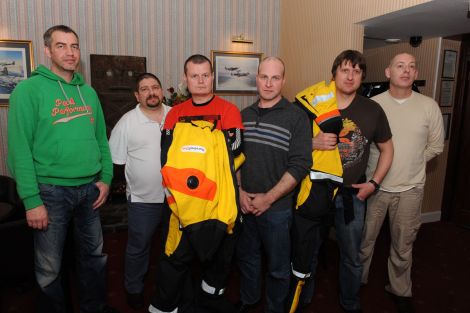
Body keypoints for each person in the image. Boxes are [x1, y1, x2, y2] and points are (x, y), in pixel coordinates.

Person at [7, 25, 118, 313]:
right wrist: (32, 201)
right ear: (47, 50)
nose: (70, 52)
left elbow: (101, 142)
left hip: (90, 190)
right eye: (61, 46)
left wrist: (106, 178)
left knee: (95, 257)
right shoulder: (28, 90)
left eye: (74, 46)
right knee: (49, 267)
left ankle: (95, 307)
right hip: (50, 192)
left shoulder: (89, 93)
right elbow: (20, 149)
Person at [298, 50, 394, 313]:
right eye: (344, 69)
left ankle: (350, 302)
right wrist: (312, 142)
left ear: (362, 76)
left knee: (352, 255)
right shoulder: (314, 103)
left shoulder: (373, 109)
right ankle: (303, 297)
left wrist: (373, 184)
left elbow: (387, 149)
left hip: (353, 195)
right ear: (334, 73)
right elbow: (290, 144)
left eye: (356, 71)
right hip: (316, 189)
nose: (350, 76)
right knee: (309, 250)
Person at [148, 54, 243, 313]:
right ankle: (170, 306)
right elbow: (166, 158)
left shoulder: (229, 110)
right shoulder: (174, 115)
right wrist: (208, 140)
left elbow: (235, 151)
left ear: (212, 77)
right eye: (194, 76)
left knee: (218, 262)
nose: (200, 81)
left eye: (205, 75)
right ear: (185, 79)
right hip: (182, 205)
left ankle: (209, 302)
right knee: (175, 259)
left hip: (218, 204)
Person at [360, 53, 444, 313]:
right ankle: (355, 282)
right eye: (400, 66)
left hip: (410, 190)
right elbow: (360, 147)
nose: (406, 71)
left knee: (403, 246)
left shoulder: (429, 106)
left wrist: (413, 162)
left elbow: (436, 146)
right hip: (375, 187)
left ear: (415, 73)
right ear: (388, 72)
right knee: (364, 242)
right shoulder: (372, 105)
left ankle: (400, 290)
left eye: (411, 67)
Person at [236, 56, 312, 313]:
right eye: (264, 77)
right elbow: (233, 159)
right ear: (256, 78)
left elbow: (300, 165)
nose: (268, 83)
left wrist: (268, 198)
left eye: (275, 78)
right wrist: (240, 192)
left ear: (283, 81)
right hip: (245, 204)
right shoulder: (242, 116)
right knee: (247, 259)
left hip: (277, 210)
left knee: (278, 268)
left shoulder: (297, 118)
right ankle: (249, 301)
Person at [109, 73, 171, 309]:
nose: (151, 92)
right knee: (138, 247)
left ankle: (169, 288)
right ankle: (133, 288)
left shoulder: (176, 116)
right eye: (144, 89)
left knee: (172, 247)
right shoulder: (127, 122)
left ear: (162, 91)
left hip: (176, 199)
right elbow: (116, 161)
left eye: (155, 87)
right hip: (143, 200)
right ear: (137, 95)